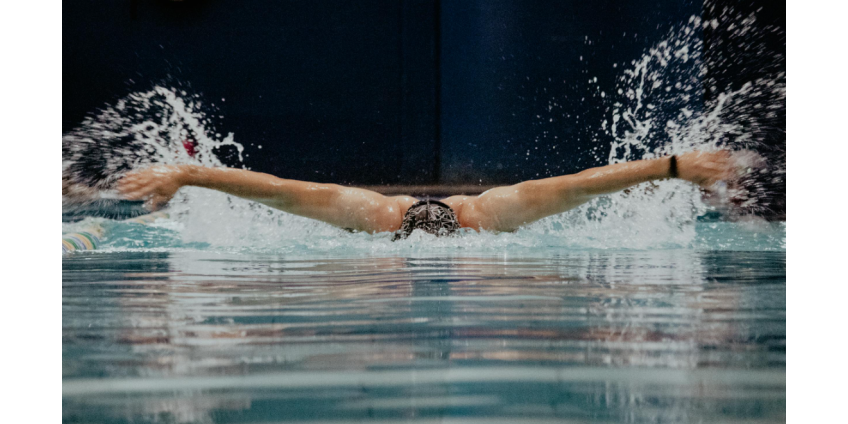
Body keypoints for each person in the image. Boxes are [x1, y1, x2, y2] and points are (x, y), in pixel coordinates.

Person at [117, 150, 735, 240]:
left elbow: (576, 185)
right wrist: (672, 168)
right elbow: (278, 192)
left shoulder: (493, 213)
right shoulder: (371, 213)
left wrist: (674, 167)